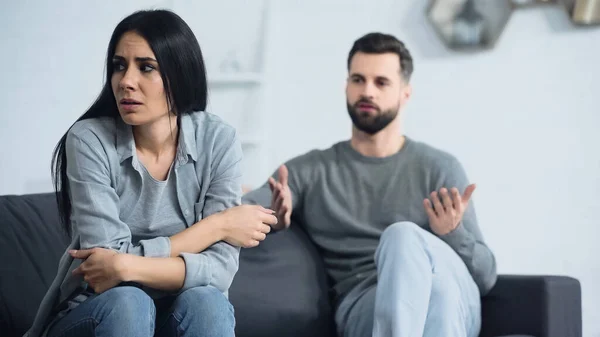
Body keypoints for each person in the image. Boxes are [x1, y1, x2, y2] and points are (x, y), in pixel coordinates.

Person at [24, 9, 277, 337]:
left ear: (180, 73)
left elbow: (218, 271)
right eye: (119, 66)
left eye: (146, 67)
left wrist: (126, 265)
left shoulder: (219, 139)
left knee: (207, 303)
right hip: (96, 311)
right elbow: (104, 266)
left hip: (180, 312)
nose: (126, 81)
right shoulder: (88, 139)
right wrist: (219, 225)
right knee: (129, 302)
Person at [243, 32, 497, 337]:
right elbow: (244, 207)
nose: (368, 91)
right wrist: (272, 216)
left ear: (405, 93)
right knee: (432, 294)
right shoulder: (310, 170)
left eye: (382, 82)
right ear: (346, 86)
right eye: (358, 80)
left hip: (453, 300)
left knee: (419, 259)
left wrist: (453, 235)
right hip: (365, 305)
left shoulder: (439, 168)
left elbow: (486, 277)